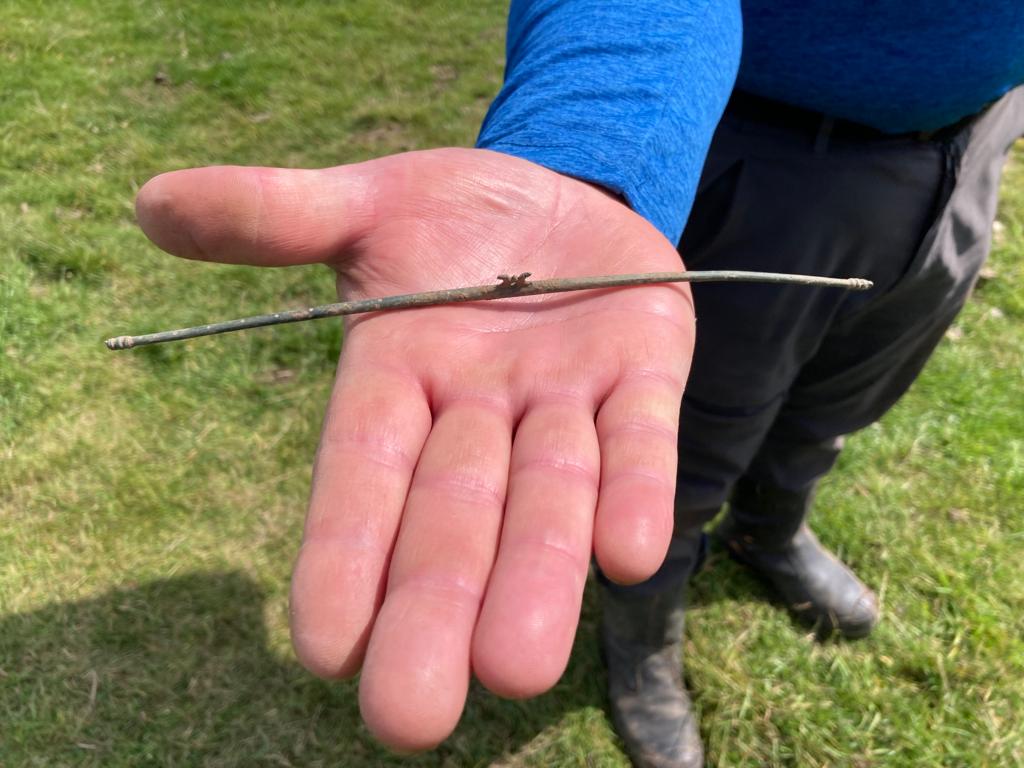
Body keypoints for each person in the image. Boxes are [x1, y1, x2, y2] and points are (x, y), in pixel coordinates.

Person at [132, 1, 1024, 765]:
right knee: (681, 456)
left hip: (970, 141)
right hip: (739, 140)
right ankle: (641, 638)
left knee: (834, 404)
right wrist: (583, 149)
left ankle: (771, 532)